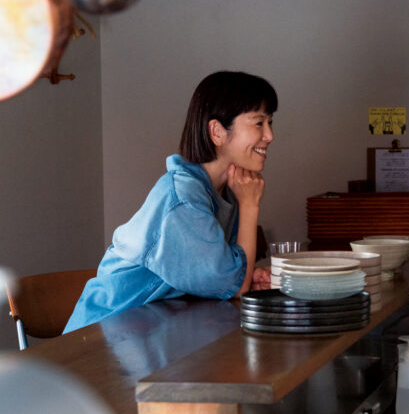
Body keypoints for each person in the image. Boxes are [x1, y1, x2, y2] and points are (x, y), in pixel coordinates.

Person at [64, 71, 276, 333]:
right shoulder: (183, 200)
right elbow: (233, 284)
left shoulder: (225, 192)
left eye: (270, 122)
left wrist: (243, 275)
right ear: (217, 132)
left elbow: (225, 279)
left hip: (146, 330)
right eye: (259, 123)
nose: (269, 136)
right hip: (101, 337)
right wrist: (250, 206)